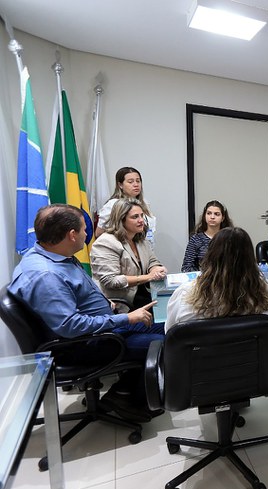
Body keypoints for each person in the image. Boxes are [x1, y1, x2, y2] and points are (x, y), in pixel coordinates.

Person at [8, 204, 165, 422]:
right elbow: (71, 326)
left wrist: (106, 304)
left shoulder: (52, 255)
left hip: (100, 326)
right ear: (72, 235)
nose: (87, 234)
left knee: (167, 327)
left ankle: (125, 390)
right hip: (82, 343)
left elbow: (76, 296)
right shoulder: (46, 276)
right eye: (84, 229)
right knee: (164, 342)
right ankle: (124, 396)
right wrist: (127, 317)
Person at [166, 227, 268, 338]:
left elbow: (171, 335)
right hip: (256, 357)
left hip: (203, 357)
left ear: (210, 256)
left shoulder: (185, 294)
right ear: (250, 258)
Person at [91, 198, 167, 310]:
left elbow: (152, 261)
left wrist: (155, 269)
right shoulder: (106, 243)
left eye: (142, 215)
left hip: (142, 297)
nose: (141, 220)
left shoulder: (139, 239)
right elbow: (111, 280)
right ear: (121, 220)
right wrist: (148, 277)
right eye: (135, 217)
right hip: (119, 306)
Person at [95, 166, 156, 244]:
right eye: (130, 182)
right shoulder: (113, 204)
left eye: (138, 181)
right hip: (122, 247)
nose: (136, 184)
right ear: (120, 185)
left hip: (144, 247)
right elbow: (99, 233)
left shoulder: (144, 203)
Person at [181, 200, 233, 272]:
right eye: (209, 213)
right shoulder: (196, 239)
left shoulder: (230, 238)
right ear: (204, 216)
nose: (212, 217)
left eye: (217, 214)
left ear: (223, 218)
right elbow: (186, 267)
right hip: (202, 277)